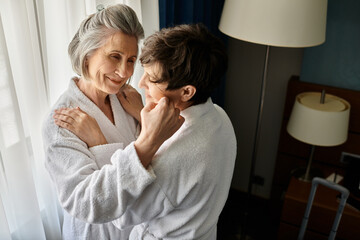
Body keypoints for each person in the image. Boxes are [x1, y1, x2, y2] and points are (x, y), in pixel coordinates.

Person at [53, 23, 237, 239]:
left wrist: (99, 143)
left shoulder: (172, 160)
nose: (140, 83)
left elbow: (117, 214)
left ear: (187, 91)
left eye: (152, 78)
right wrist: (142, 114)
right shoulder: (220, 117)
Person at [42, 4, 183, 240]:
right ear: (87, 54)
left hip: (136, 226)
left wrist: (140, 116)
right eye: (114, 56)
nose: (124, 72)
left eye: (131, 60)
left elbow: (160, 161)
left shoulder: (128, 99)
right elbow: (85, 203)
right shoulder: (60, 123)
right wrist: (102, 145)